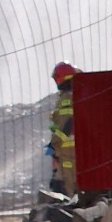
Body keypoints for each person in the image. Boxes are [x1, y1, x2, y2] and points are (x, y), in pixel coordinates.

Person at [49, 61, 76, 195]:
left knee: (69, 183)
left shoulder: (67, 97)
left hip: (68, 149)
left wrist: (55, 143)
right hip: (65, 150)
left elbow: (68, 122)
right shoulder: (71, 95)